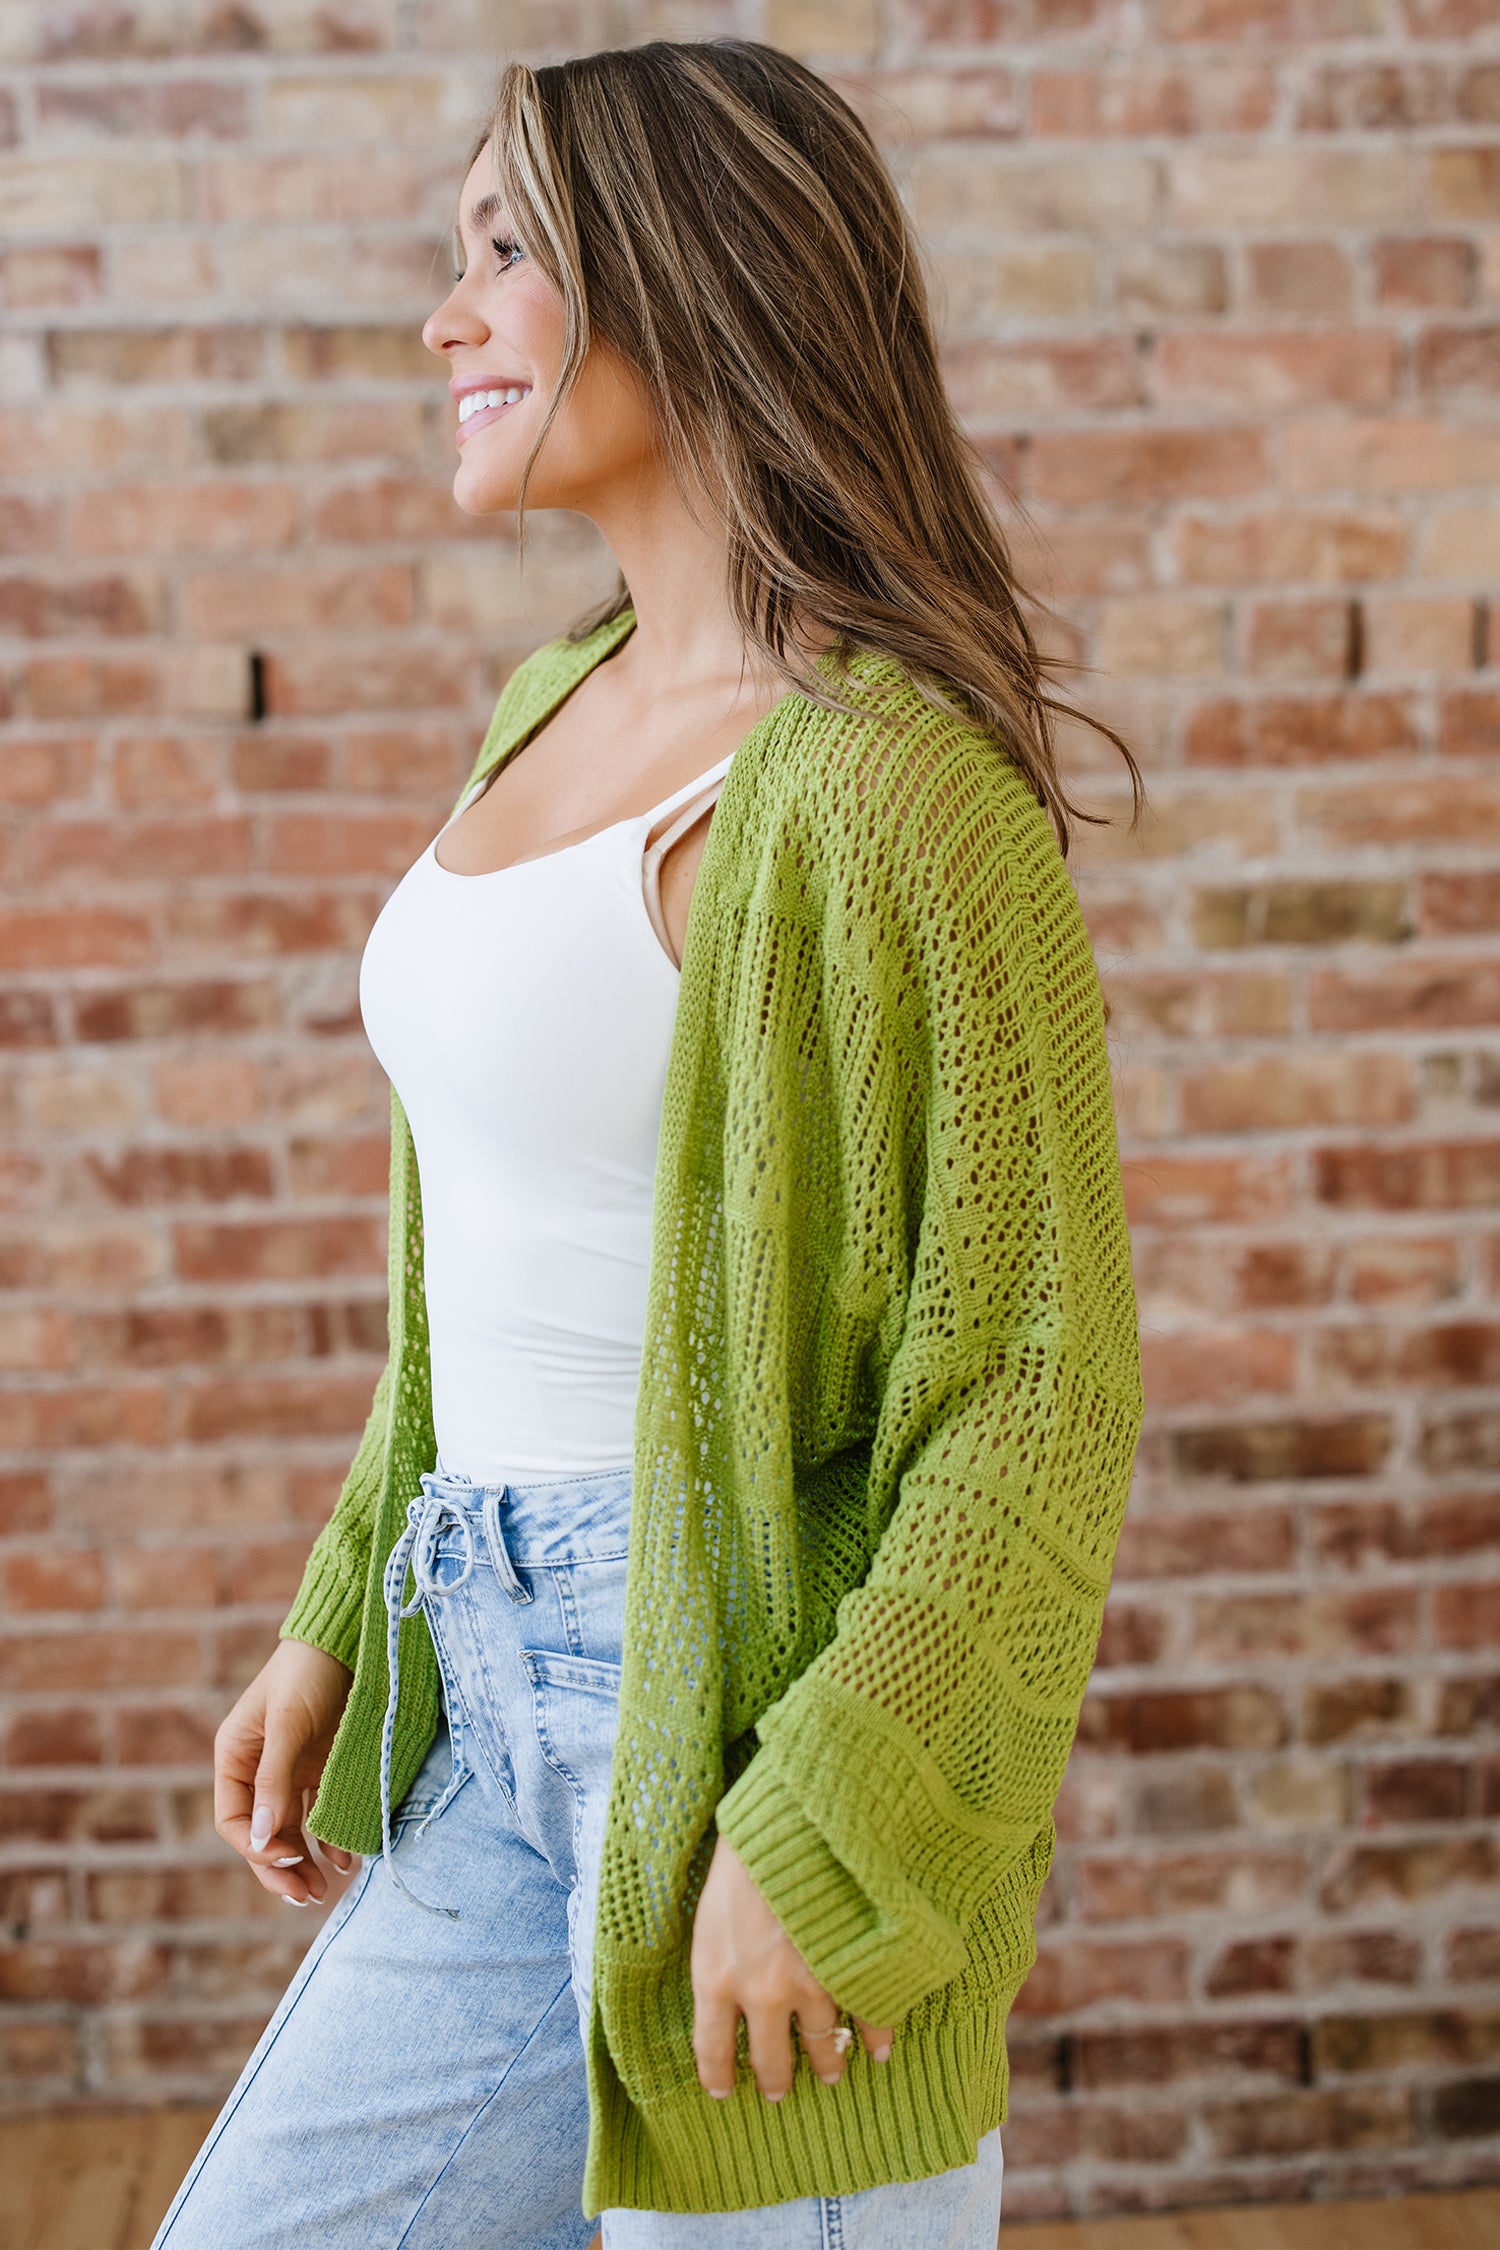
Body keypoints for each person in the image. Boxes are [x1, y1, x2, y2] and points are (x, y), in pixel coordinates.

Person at [151, 36, 1144, 2250]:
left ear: (687, 277)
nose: (448, 317)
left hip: (752, 1723)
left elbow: (1036, 1383)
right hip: (486, 1683)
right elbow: (484, 1266)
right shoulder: (548, 707)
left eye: (506, 250)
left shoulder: (893, 788)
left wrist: (831, 1814)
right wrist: (351, 1594)